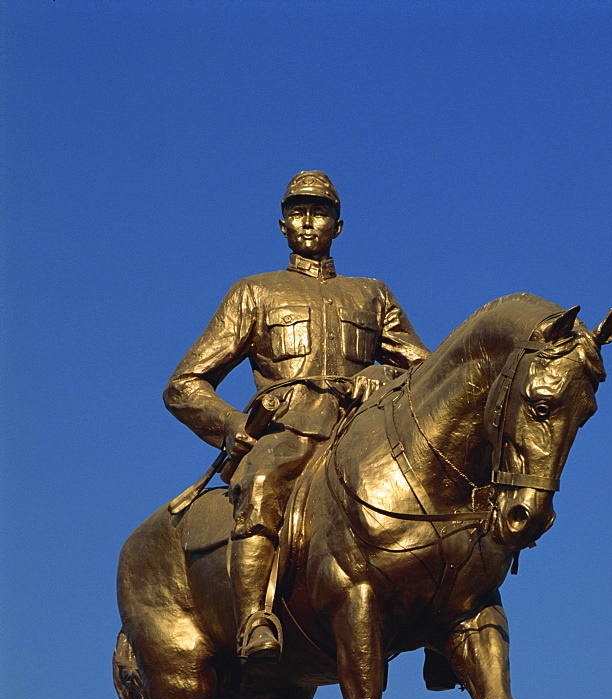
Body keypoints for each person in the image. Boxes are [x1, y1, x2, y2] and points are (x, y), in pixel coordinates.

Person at [164, 171, 429, 663]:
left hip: (361, 432)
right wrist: (230, 425)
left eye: (320, 212)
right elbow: (184, 384)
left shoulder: (373, 294)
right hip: (290, 432)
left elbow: (427, 373)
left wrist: (382, 375)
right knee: (261, 482)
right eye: (298, 213)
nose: (309, 222)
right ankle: (254, 620)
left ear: (339, 226)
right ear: (283, 225)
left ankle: (441, 616)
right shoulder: (253, 293)